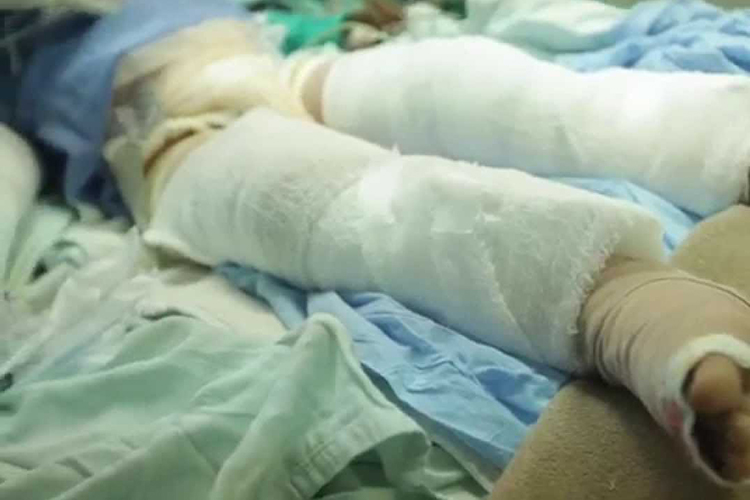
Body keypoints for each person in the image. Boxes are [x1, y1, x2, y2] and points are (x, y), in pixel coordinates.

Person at [4, 0, 750, 486]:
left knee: (461, 89)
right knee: (305, 191)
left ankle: (722, 146)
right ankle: (622, 297)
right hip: (166, 123)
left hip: (266, 59)